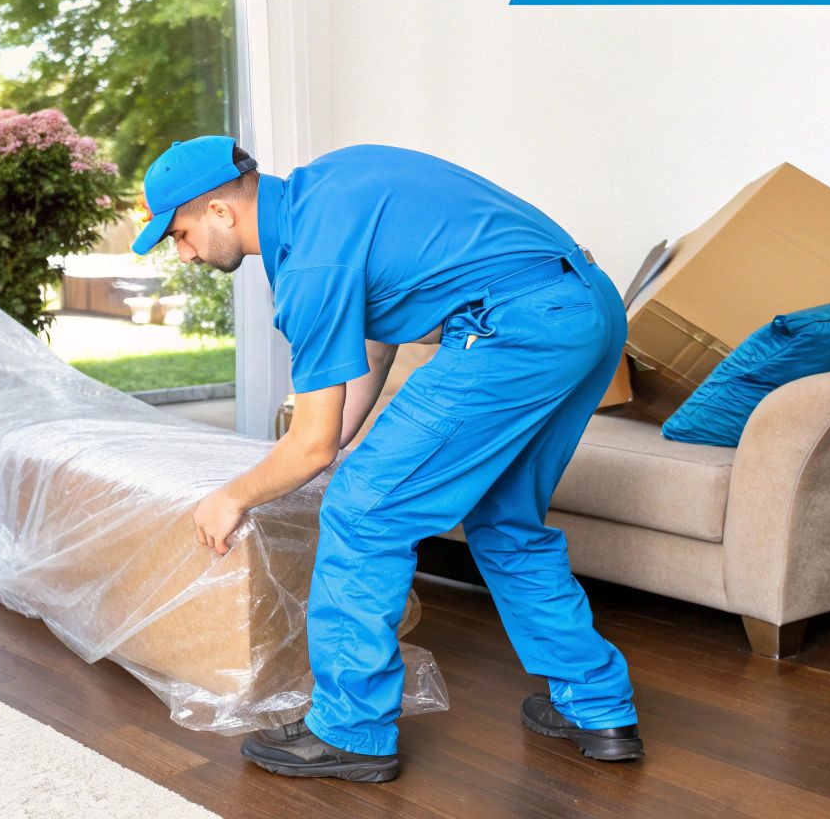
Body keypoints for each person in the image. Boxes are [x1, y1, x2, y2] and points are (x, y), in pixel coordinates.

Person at [132, 136, 642, 783]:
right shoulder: (334, 188)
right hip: (588, 309)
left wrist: (235, 494)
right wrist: (303, 459)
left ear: (220, 211)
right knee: (505, 519)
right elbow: (368, 357)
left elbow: (314, 444)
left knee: (362, 509)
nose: (184, 254)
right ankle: (596, 705)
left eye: (178, 235)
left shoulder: (310, 271)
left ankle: (352, 731)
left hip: (512, 330)